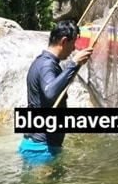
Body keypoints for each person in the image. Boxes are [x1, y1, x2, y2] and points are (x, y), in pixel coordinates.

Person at [17, 20, 93, 165]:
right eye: (73, 44)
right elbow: (51, 93)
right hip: (41, 150)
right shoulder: (46, 65)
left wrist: (76, 65)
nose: (73, 49)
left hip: (38, 146)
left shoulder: (41, 62)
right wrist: (73, 63)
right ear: (64, 41)